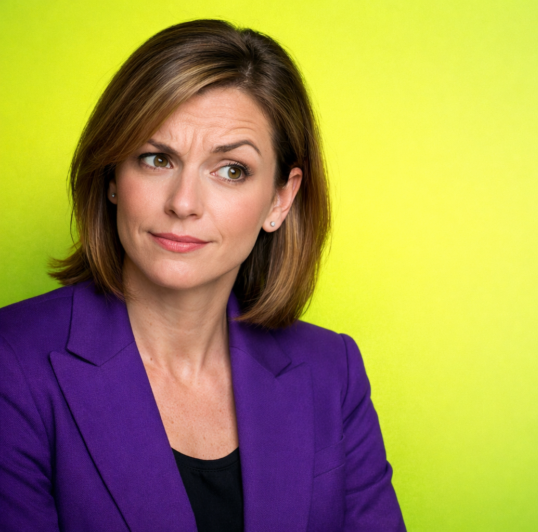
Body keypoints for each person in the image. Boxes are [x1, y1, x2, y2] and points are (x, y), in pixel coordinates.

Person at [0, 19, 404, 532]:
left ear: (280, 199)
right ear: (112, 178)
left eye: (231, 169)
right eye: (156, 159)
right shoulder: (12, 365)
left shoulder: (332, 371)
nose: (183, 203)